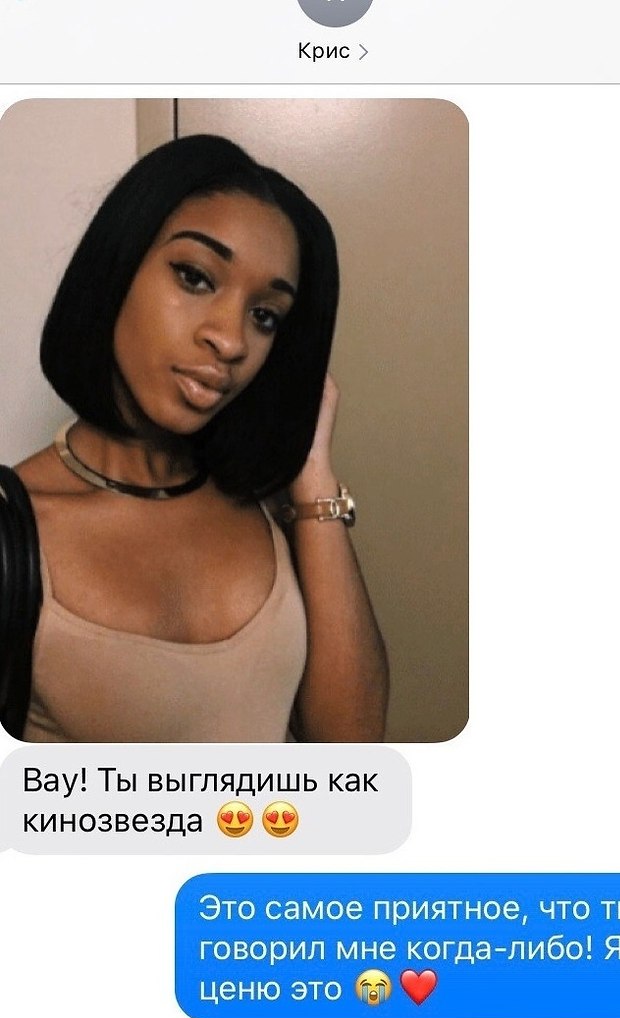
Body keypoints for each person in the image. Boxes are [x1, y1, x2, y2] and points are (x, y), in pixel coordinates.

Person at [13, 133, 389, 743]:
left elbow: (352, 748)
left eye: (265, 315)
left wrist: (312, 470)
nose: (232, 340)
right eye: (194, 277)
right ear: (117, 267)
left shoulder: (266, 502)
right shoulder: (17, 526)